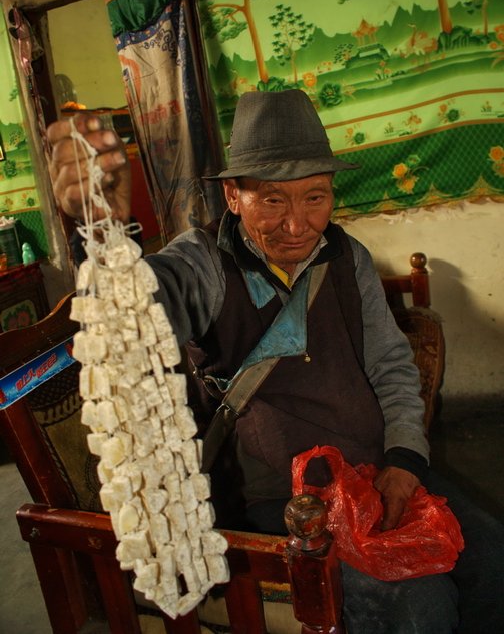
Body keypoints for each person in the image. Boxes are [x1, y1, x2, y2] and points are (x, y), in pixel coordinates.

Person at [48, 89, 504, 633]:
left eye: (315, 197)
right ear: (233, 198)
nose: (297, 224)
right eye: (272, 200)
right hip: (275, 498)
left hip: (374, 467)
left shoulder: (347, 257)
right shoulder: (205, 264)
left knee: (492, 557)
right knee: (419, 602)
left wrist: (404, 461)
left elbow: (392, 366)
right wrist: (107, 234)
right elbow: (142, 308)